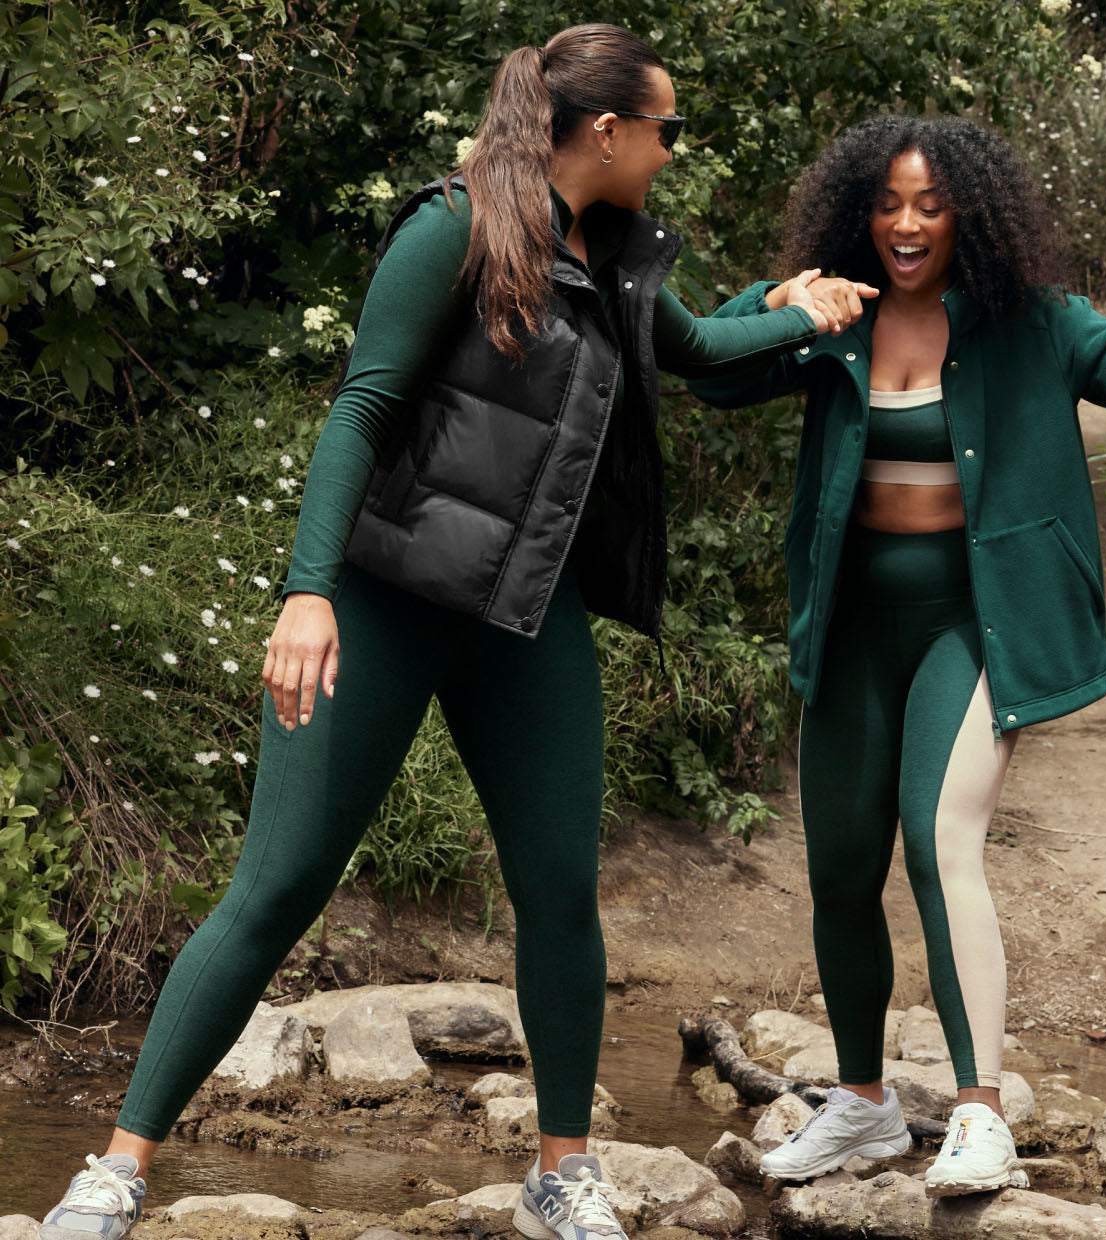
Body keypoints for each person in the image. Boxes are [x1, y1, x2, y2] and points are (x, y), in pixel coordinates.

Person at [40, 24, 850, 1240]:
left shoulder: (620, 252)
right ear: (606, 129)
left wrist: (802, 311)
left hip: (523, 619)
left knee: (562, 897)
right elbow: (362, 403)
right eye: (667, 130)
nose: (675, 154)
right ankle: (114, 1171)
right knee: (273, 889)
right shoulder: (452, 226)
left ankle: (560, 1171)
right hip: (383, 599)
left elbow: (688, 350)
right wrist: (307, 591)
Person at [687, 113, 1106, 1196]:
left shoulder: (1031, 321)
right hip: (855, 627)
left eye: (931, 205)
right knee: (836, 865)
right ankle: (862, 1105)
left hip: (972, 622)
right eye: (887, 204)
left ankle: (978, 1110)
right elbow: (709, 369)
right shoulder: (839, 316)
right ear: (857, 213)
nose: (906, 225)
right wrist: (774, 303)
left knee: (939, 832)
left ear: (971, 215)